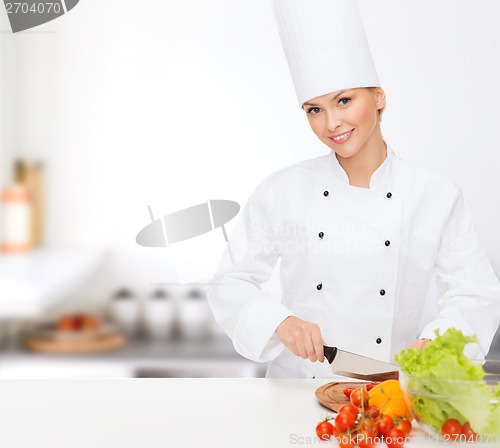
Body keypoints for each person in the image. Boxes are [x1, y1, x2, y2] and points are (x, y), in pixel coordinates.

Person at [207, 0, 500, 378]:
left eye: (344, 101)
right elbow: (229, 282)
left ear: (378, 96)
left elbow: (476, 291)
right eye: (314, 109)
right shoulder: (282, 191)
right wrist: (281, 322)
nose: (331, 123)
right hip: (296, 389)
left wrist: (437, 342)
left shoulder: (436, 195)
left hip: (388, 391)